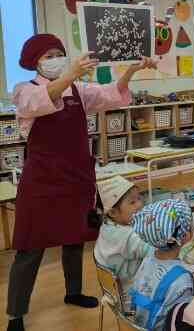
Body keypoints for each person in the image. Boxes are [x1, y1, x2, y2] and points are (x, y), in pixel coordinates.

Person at [6, 34, 156, 331]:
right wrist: (71, 73)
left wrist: (130, 71)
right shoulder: (24, 90)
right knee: (30, 247)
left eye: (59, 52)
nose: (55, 58)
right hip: (42, 183)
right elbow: (38, 103)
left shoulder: (79, 89)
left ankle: (73, 291)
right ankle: (16, 315)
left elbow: (111, 93)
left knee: (74, 238)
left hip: (75, 178)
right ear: (35, 61)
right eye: (49, 55)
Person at [130, 199, 194, 331]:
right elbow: (184, 321)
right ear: (186, 236)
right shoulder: (182, 280)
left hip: (136, 325)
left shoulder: (147, 259)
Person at [94, 176, 154, 308]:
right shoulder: (125, 236)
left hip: (114, 292)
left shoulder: (108, 226)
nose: (140, 204)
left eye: (139, 198)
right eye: (132, 202)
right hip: (133, 296)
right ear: (113, 212)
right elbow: (154, 250)